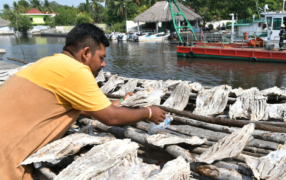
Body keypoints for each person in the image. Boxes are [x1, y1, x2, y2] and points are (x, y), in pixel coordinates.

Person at [0, 23, 166, 180]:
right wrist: (149, 112)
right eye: (101, 57)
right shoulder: (76, 70)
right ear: (86, 53)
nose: (104, 64)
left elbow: (85, 108)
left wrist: (122, 101)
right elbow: (111, 117)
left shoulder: (49, 63)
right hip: (5, 163)